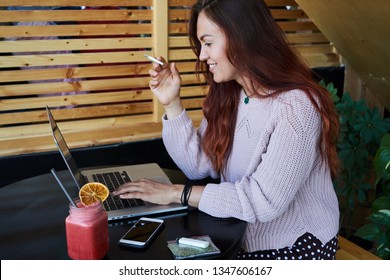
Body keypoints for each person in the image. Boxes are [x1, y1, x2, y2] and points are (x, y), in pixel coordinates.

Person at [113, 0, 341, 260]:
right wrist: (171, 103)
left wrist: (177, 193)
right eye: (201, 45)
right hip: (237, 233)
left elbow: (264, 200)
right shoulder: (231, 91)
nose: (201, 55)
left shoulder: (296, 106)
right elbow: (199, 165)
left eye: (208, 43)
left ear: (242, 37)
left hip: (293, 245)